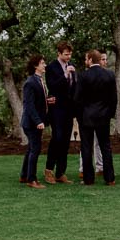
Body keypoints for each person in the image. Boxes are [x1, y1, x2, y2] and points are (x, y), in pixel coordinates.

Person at [73, 48, 117, 186]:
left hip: (86, 117)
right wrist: (110, 114)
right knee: (106, 147)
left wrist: (79, 117)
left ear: (91, 60)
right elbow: (113, 99)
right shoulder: (109, 75)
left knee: (86, 148)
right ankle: (110, 178)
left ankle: (88, 179)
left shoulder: (83, 76)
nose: (85, 61)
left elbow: (77, 99)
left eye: (87, 59)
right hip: (103, 117)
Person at [44, 41, 77, 184]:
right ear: (59, 53)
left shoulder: (72, 66)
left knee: (65, 141)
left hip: (69, 109)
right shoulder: (51, 67)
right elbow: (52, 85)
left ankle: (60, 172)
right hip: (56, 108)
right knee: (56, 138)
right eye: (66, 54)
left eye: (70, 54)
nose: (68, 56)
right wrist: (65, 74)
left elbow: (74, 87)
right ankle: (49, 170)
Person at [20, 54, 49, 188]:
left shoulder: (39, 80)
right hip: (31, 123)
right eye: (42, 63)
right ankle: (32, 180)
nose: (45, 65)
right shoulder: (30, 82)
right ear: (35, 66)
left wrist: (47, 101)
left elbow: (37, 101)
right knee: (35, 150)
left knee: (31, 149)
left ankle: (24, 175)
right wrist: (38, 121)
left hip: (35, 122)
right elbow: (29, 105)